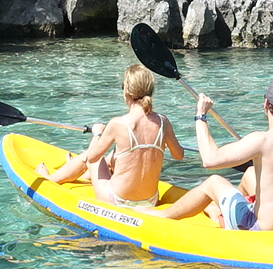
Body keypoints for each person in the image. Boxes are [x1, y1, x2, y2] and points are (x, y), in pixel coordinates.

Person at [152, 77, 273, 234]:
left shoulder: (261, 140)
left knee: (214, 182)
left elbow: (209, 159)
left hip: (259, 228)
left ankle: (163, 215)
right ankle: (222, 213)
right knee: (250, 174)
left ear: (266, 104)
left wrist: (200, 116)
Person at [44, 62, 182, 207]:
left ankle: (50, 179)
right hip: (150, 201)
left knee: (86, 156)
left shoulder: (118, 124)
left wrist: (97, 134)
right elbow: (179, 155)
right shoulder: (163, 122)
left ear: (126, 91)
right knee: (116, 155)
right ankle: (76, 172)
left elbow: (92, 158)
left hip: (118, 201)